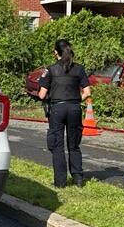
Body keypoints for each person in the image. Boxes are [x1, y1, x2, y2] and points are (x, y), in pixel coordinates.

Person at [37, 39, 91, 188]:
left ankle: (60, 182)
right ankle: (78, 178)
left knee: (57, 145)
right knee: (74, 145)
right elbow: (87, 92)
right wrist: (74, 99)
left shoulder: (51, 70)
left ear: (56, 52)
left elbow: (42, 95)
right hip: (74, 108)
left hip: (57, 109)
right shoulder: (78, 69)